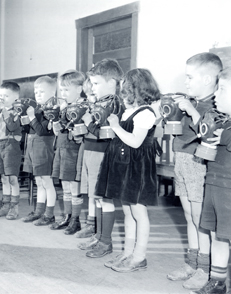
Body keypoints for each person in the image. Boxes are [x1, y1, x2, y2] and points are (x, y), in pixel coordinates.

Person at [95, 68, 161, 272]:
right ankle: (127, 253)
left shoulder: (146, 113)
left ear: (136, 89)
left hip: (137, 168)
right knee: (127, 211)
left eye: (125, 87)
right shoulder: (128, 111)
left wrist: (115, 127)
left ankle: (139, 256)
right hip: (123, 165)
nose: (122, 92)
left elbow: (135, 141)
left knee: (138, 211)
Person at [167, 52, 223, 290]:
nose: (186, 82)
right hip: (181, 160)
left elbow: (207, 132)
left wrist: (191, 109)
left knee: (201, 220)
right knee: (189, 216)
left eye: (190, 77)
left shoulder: (216, 104)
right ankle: (192, 263)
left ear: (209, 79)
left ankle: (205, 268)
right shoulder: (190, 101)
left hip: (198, 164)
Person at [75, 59, 124, 257]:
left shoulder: (114, 104)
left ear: (112, 82)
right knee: (98, 198)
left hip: (106, 155)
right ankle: (99, 236)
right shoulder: (103, 102)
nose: (93, 88)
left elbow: (106, 134)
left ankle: (106, 242)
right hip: (95, 152)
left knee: (105, 199)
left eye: (96, 83)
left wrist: (89, 123)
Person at [189, 67, 231, 294]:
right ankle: (218, 281)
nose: (215, 95)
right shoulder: (221, 121)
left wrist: (223, 136)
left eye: (222, 89)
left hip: (229, 190)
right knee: (217, 235)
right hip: (214, 185)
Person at [50, 69, 85, 235]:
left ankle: (76, 220)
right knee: (65, 185)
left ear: (79, 89)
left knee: (74, 185)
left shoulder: (83, 106)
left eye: (67, 89)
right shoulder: (63, 107)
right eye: (61, 89)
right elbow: (57, 131)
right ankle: (67, 216)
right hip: (62, 148)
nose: (63, 93)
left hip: (73, 150)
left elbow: (81, 132)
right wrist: (56, 120)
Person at [21, 76, 57, 226]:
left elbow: (42, 131)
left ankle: (49, 214)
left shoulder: (52, 111)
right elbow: (30, 129)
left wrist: (31, 117)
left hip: (43, 149)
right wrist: (24, 119)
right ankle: (38, 211)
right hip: (33, 148)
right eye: (36, 92)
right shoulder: (37, 109)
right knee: (39, 182)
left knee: (47, 182)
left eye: (42, 92)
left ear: (53, 93)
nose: (38, 94)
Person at [0, 81, 22, 220]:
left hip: (11, 144)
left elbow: (13, 127)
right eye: (1, 95)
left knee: (12, 178)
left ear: (16, 98)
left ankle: (15, 207)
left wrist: (5, 112)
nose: (2, 99)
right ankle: (5, 205)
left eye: (6, 96)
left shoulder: (18, 111)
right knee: (3, 178)